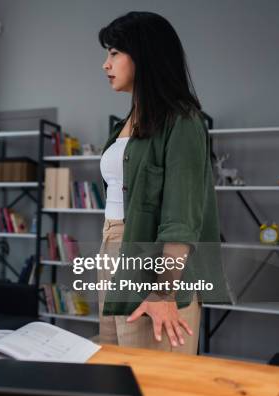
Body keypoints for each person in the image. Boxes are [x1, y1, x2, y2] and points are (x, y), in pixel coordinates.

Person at [97, 11, 227, 353]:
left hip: (152, 262)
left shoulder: (182, 121)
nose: (105, 64)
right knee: (113, 373)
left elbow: (180, 219)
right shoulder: (124, 124)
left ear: (144, 55)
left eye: (113, 53)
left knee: (154, 384)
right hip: (111, 251)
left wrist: (163, 291)